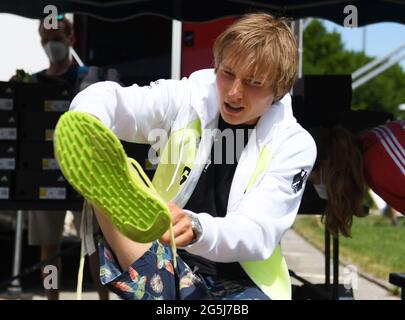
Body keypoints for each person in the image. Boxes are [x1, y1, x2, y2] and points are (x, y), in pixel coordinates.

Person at [59, 13, 317, 300]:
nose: (234, 92)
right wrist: (87, 120)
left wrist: (196, 228)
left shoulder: (294, 144)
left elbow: (256, 232)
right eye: (227, 73)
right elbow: (118, 101)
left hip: (243, 281)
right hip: (166, 253)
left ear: (279, 90)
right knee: (161, 282)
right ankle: (103, 180)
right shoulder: (189, 96)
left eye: (253, 82)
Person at [11, 16, 109, 300]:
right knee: (48, 246)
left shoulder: (89, 78)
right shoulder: (35, 81)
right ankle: (51, 298)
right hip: (42, 175)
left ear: (71, 40)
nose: (50, 45)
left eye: (55, 38)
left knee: (93, 244)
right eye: (45, 40)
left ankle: (105, 298)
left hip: (85, 175)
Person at [308, 120, 404, 237]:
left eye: (312, 180)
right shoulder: (373, 142)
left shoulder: (380, 166)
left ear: (327, 167)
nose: (316, 186)